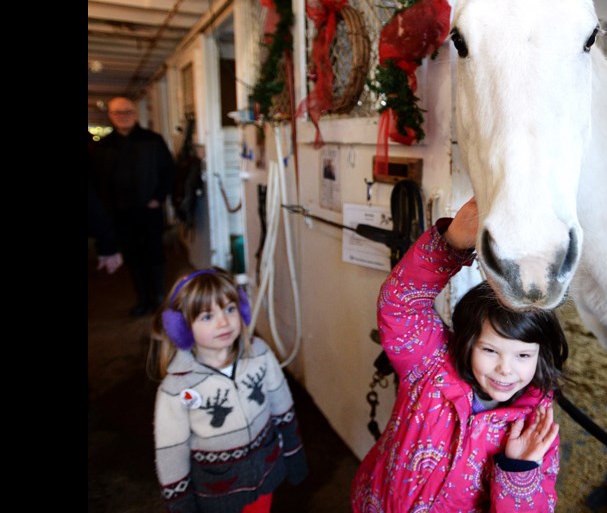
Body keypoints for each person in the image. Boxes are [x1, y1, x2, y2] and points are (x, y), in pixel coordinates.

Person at [351, 197, 569, 512]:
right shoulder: (430, 367)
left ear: (541, 354)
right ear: (467, 342)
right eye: (490, 350)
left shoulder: (535, 430)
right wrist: (451, 243)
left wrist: (519, 472)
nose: (505, 369)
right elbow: (399, 304)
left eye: (523, 356)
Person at [148, 267, 307, 512]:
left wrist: (294, 455)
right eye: (207, 316)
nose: (224, 322)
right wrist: (181, 504)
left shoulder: (260, 353)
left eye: (230, 309)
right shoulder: (177, 388)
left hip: (266, 474)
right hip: (217, 494)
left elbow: (282, 406)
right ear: (181, 327)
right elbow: (172, 452)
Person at [89, 96, 175, 316]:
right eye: (117, 113)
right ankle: (143, 300)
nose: (122, 117)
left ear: (135, 114)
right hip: (119, 213)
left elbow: (168, 171)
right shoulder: (103, 146)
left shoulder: (153, 140)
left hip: (149, 210)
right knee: (133, 256)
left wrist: (158, 197)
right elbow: (95, 181)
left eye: (127, 112)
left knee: (154, 253)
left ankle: (158, 298)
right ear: (110, 116)